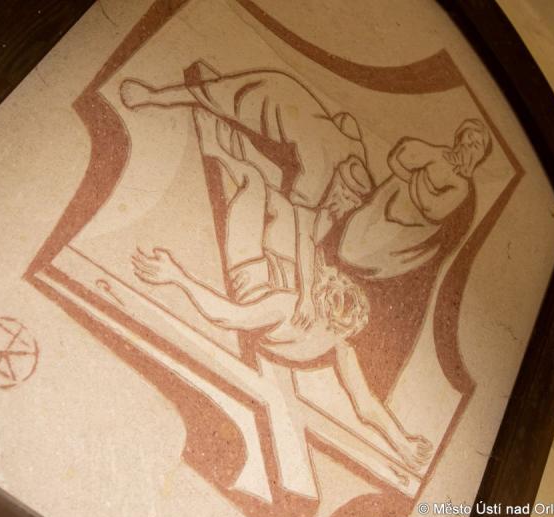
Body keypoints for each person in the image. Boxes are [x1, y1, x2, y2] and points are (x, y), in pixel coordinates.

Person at [131, 244, 433, 472]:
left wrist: (403, 444)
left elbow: (366, 405)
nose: (330, 332)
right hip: (253, 278)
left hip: (272, 274)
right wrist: (177, 276)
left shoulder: (340, 345)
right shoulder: (287, 307)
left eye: (337, 328)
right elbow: (227, 316)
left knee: (275, 210)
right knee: (264, 201)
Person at [120, 63, 374, 328]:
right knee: (219, 103)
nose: (343, 209)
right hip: (265, 99)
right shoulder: (318, 174)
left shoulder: (351, 149)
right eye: (344, 200)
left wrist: (176, 276)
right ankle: (157, 99)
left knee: (263, 183)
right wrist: (307, 294)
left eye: (351, 205)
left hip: (255, 273)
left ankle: (219, 142)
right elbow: (305, 234)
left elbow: (347, 121)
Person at [338, 119, 492, 279]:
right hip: (383, 208)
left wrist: (415, 177)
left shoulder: (461, 185)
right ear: (459, 136)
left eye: (476, 145)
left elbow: (433, 210)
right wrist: (415, 178)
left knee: (373, 253)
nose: (469, 144)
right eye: (469, 136)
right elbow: (397, 156)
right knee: (359, 232)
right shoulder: (439, 153)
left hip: (411, 230)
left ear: (478, 157)